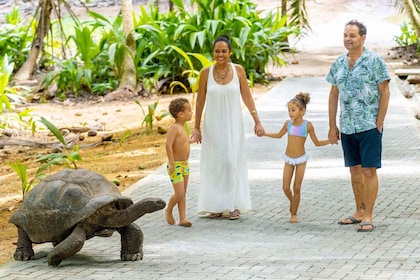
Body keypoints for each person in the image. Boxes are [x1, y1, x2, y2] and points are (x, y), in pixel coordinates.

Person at [191, 35, 265, 220]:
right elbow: (200, 101)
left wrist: (257, 121)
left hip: (233, 124)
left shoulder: (238, 70)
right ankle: (215, 205)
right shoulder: (206, 73)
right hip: (213, 124)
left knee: (231, 161)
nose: (220, 54)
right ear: (213, 53)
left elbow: (247, 97)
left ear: (230, 52)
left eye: (224, 51)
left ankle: (233, 205)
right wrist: (196, 127)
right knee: (216, 163)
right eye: (217, 51)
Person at [326, 20, 390, 232]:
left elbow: (385, 92)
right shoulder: (339, 63)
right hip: (347, 126)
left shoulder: (375, 61)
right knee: (354, 171)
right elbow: (334, 94)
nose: (347, 39)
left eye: (352, 35)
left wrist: (379, 122)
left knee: (369, 171)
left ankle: (368, 215)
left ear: (363, 38)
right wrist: (332, 125)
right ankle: (358, 211)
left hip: (369, 126)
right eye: (345, 35)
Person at [263, 92, 330, 223]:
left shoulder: (308, 126)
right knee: (285, 187)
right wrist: (264, 133)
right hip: (288, 158)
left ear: (302, 111)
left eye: (293, 110)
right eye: (289, 110)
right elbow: (278, 135)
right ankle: (294, 202)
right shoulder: (288, 124)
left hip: (301, 159)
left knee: (297, 187)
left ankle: (294, 213)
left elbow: (316, 143)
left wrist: (330, 140)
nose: (290, 113)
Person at [165, 97, 195, 227]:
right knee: (179, 193)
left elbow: (182, 142)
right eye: (189, 110)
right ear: (181, 114)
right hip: (175, 165)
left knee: (183, 193)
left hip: (184, 165)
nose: (191, 112)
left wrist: (192, 141)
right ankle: (169, 210)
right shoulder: (174, 128)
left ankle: (183, 218)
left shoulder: (183, 127)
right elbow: (168, 145)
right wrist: (172, 163)